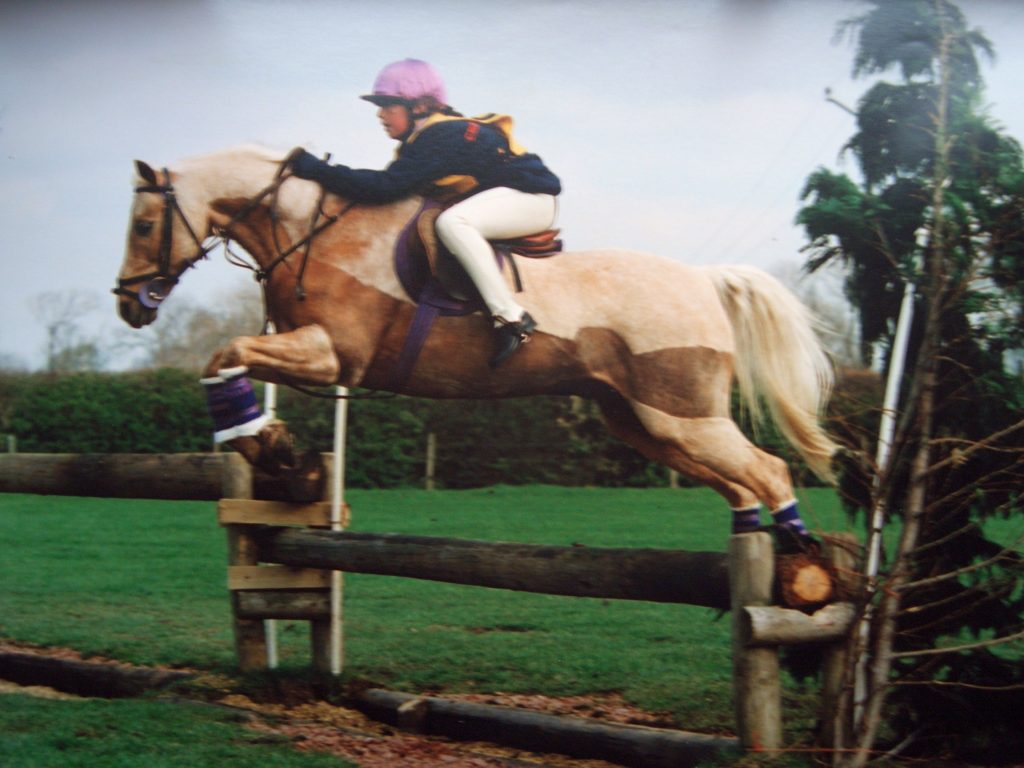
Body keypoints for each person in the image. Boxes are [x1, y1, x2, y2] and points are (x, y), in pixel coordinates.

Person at [288, 58, 562, 368]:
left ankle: (511, 318)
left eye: (388, 105)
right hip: (512, 196)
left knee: (453, 223)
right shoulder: (430, 136)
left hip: (532, 200)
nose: (380, 114)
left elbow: (384, 187)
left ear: (418, 106)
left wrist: (317, 170)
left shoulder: (441, 136)